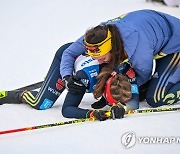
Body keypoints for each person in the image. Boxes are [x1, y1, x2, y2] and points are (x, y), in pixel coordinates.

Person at [60, 9, 180, 107]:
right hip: (155, 31)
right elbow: (68, 53)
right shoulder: (98, 35)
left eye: (102, 58)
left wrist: (109, 88)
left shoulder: (139, 52)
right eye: (95, 57)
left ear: (113, 49)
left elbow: (143, 76)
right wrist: (66, 77)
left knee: (156, 98)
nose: (99, 62)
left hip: (175, 44)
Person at [0, 44, 129, 121]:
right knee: (41, 104)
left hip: (86, 62)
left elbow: (128, 93)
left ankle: (49, 81)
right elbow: (67, 110)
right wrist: (91, 114)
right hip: (67, 58)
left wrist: (120, 106)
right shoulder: (83, 79)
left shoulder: (119, 72)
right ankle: (14, 95)